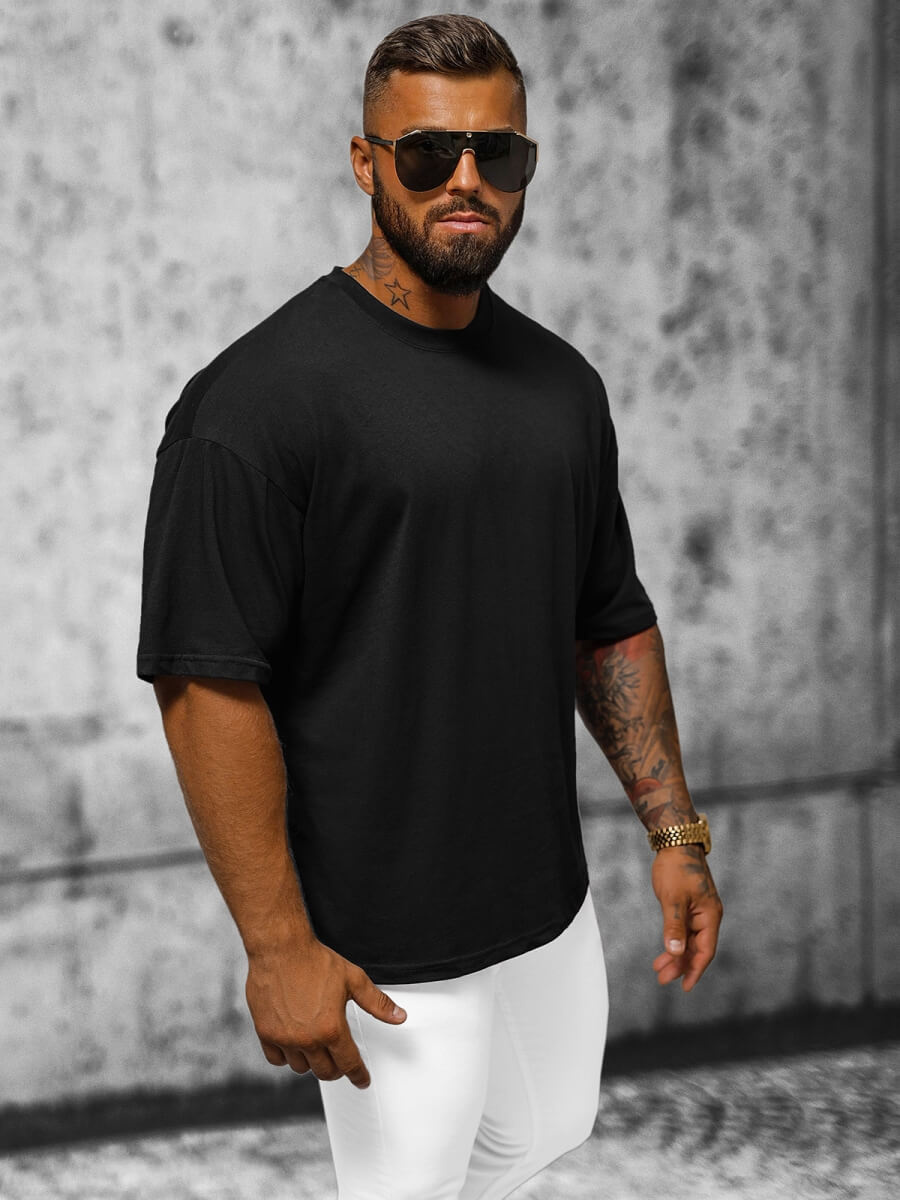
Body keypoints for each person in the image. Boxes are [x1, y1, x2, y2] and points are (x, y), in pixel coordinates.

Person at [136, 13, 723, 1199]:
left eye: (496, 152)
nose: (466, 180)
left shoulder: (562, 386)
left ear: (526, 164)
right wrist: (278, 945)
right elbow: (207, 682)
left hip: (540, 897)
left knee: (549, 1126)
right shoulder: (252, 406)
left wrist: (675, 835)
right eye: (426, 153)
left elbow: (606, 618)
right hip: (382, 937)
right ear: (367, 163)